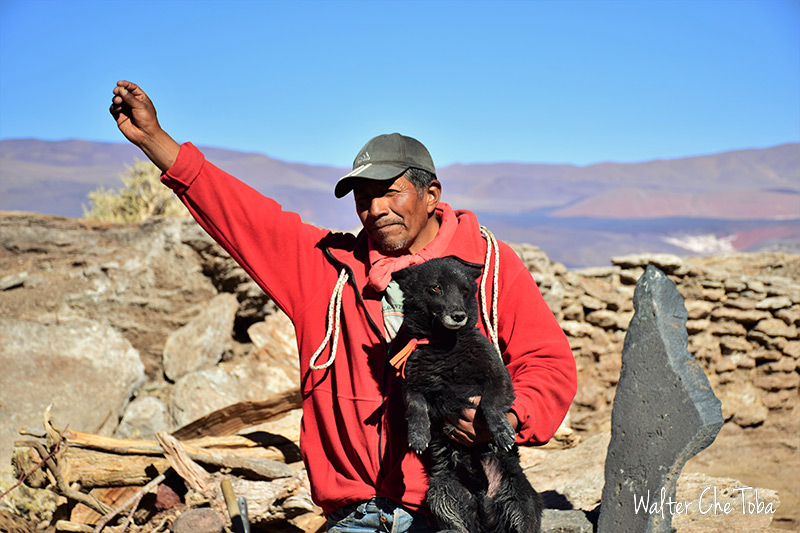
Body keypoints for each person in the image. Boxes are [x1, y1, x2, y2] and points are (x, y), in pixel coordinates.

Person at [110, 80, 577, 531]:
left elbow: (549, 364)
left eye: (391, 192)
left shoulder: (486, 267)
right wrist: (155, 140)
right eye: (364, 198)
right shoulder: (326, 273)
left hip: (457, 511)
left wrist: (505, 420)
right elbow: (245, 217)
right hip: (357, 517)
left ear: (431, 195)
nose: (375, 209)